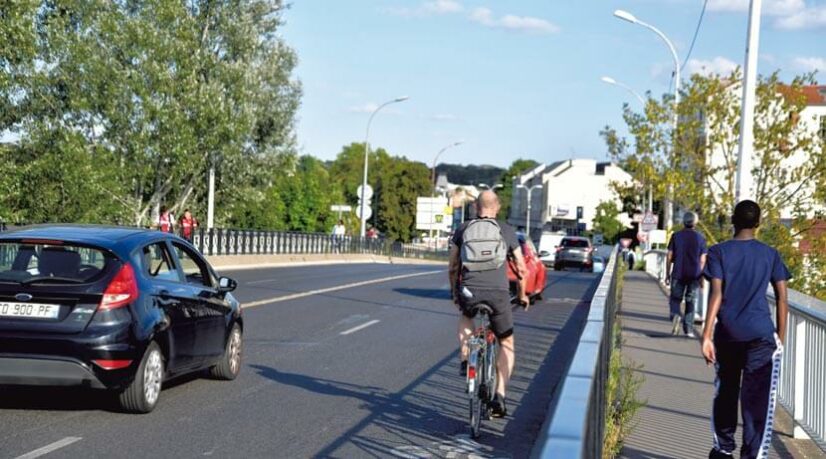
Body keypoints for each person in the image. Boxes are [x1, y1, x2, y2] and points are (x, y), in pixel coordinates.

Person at [701, 200, 790, 459]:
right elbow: (782, 297)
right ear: (758, 223)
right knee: (756, 402)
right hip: (762, 337)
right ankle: (752, 455)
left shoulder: (718, 251)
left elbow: (716, 293)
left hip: (728, 334)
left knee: (726, 393)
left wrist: (706, 335)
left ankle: (723, 449)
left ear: (732, 220)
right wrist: (780, 339)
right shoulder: (770, 254)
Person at [448, 190, 528, 418]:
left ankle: (465, 360)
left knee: (465, 316)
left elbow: (453, 266)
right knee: (507, 342)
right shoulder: (506, 230)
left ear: (475, 207)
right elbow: (521, 268)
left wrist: (455, 292)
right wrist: (522, 295)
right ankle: (500, 396)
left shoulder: (463, 229)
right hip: (499, 294)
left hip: (470, 290)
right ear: (498, 207)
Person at [665, 211, 707, 338]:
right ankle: (688, 329)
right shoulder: (701, 238)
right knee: (691, 301)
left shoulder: (676, 236)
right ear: (695, 222)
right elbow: (703, 260)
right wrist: (702, 279)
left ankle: (676, 315)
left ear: (684, 221)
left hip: (678, 272)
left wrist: (667, 273)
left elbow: (669, 255)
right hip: (694, 275)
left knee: (675, 299)